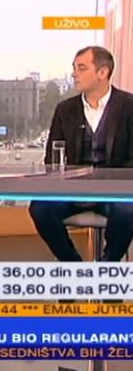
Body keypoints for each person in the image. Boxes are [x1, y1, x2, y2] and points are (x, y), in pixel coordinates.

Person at [29, 46, 133, 262]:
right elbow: (51, 159)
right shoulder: (65, 109)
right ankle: (74, 266)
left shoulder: (129, 107)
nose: (74, 74)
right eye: (74, 68)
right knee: (40, 208)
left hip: (115, 192)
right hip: (73, 190)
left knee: (128, 210)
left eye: (82, 68)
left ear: (102, 72)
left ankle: (107, 268)